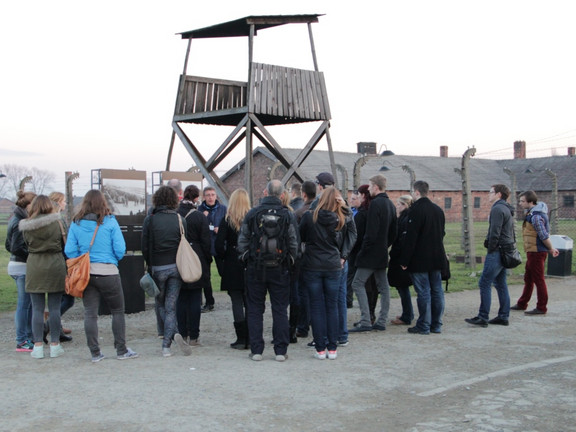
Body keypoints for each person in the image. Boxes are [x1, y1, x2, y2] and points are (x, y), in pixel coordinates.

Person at [65, 189, 138, 362]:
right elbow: (120, 249)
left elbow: (69, 251)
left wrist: (82, 259)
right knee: (117, 311)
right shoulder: (111, 222)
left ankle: (95, 353)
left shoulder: (76, 223)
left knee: (90, 314)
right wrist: (111, 258)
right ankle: (121, 350)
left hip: (86, 274)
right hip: (108, 271)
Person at [237, 180, 298, 362]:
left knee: (255, 309)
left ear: (265, 192)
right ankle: (280, 350)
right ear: (281, 195)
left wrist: (247, 258)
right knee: (280, 309)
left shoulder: (253, 213)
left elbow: (243, 240)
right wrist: (290, 262)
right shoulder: (287, 215)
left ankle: (257, 350)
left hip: (256, 267)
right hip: (280, 268)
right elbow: (294, 243)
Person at [300, 187, 356, 359]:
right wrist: (344, 206)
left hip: (313, 265)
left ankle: (320, 348)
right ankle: (332, 348)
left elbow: (301, 235)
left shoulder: (310, 216)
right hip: (333, 264)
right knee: (332, 306)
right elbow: (352, 229)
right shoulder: (340, 217)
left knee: (316, 307)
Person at [142, 186, 192, 357]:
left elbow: (145, 246)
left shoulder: (151, 219)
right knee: (171, 306)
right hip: (176, 267)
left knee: (160, 303)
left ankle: (169, 335)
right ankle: (167, 345)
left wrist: (149, 265)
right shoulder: (180, 219)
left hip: (158, 267)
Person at [19, 195, 66, 359]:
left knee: (37, 309)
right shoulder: (58, 222)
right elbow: (64, 243)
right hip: (55, 265)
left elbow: (25, 245)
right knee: (54, 309)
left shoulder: (26, 226)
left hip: (35, 266)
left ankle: (37, 346)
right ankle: (55, 345)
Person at [349, 174, 397, 333]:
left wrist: (363, 252)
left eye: (370, 186)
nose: (368, 189)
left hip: (370, 253)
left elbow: (371, 232)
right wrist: (385, 245)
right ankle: (381, 320)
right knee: (383, 287)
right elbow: (393, 232)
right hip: (382, 251)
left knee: (357, 283)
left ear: (376, 187)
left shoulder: (376, 204)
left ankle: (365, 321)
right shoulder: (390, 204)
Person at [465, 184, 516, 328]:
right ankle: (503, 316)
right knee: (500, 283)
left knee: (484, 282)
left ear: (499, 194)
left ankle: (483, 316)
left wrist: (491, 248)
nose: (489, 194)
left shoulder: (497, 209)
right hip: (505, 249)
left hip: (497, 250)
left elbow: (495, 232)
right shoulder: (505, 207)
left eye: (491, 192)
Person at [399, 182, 446, 334]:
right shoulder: (438, 210)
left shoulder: (415, 211)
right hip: (437, 256)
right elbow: (442, 234)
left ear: (417, 192)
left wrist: (404, 260)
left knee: (424, 292)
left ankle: (424, 325)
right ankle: (436, 324)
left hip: (420, 258)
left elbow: (411, 238)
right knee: (437, 291)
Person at [511, 191, 559, 315]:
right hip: (532, 251)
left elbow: (543, 235)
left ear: (530, 202)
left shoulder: (536, 216)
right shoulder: (532, 214)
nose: (520, 203)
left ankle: (541, 307)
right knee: (529, 278)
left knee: (539, 279)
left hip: (537, 252)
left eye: (522, 201)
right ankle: (522, 303)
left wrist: (551, 248)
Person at [215, 188, 251, 349]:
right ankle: (251, 336)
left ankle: (241, 338)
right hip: (249, 262)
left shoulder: (227, 220)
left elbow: (218, 245)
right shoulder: (253, 219)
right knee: (250, 301)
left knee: (236, 300)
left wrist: (225, 256)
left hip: (232, 261)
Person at [176, 185, 211, 345]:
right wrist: (207, 260)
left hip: (179, 257)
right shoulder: (199, 217)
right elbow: (206, 242)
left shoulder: (175, 215)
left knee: (181, 298)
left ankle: (182, 333)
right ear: (197, 198)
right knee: (195, 299)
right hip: (197, 257)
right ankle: (194, 336)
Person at [5, 191, 36, 352]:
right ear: (29, 205)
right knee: (24, 305)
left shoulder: (14, 219)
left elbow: (8, 246)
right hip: (22, 267)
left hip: (16, 265)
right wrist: (32, 256)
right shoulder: (20, 222)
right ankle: (22, 340)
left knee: (28, 304)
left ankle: (27, 337)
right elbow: (16, 247)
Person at [348, 185, 379, 323]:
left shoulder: (362, 214)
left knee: (362, 285)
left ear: (363, 196)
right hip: (374, 252)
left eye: (359, 195)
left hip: (360, 254)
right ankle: (370, 313)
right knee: (372, 285)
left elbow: (356, 236)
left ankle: (367, 315)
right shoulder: (373, 211)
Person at [48, 191, 73, 342]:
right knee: (66, 299)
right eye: (63, 201)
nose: (65, 204)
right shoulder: (59, 221)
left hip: (49, 264)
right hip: (61, 263)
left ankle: (53, 327)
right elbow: (65, 245)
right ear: (57, 203)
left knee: (57, 300)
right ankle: (49, 325)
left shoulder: (44, 220)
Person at [294, 180, 317, 339]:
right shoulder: (324, 211)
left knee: (302, 292)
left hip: (304, 256)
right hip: (321, 257)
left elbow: (296, 237)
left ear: (303, 194)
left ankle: (303, 326)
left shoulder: (300, 213)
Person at [198, 186, 227, 312]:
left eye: (212, 195)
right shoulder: (199, 210)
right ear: (204, 197)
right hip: (206, 246)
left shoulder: (223, 209)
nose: (210, 197)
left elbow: (228, 225)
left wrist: (221, 231)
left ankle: (236, 296)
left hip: (220, 245)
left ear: (216, 196)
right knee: (206, 276)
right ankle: (209, 301)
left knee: (224, 272)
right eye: (208, 195)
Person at [388, 195, 414, 326]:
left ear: (404, 205)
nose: (396, 206)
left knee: (402, 287)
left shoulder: (405, 219)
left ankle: (407, 315)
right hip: (400, 257)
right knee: (402, 287)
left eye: (399, 204)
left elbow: (401, 241)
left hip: (401, 258)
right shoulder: (403, 218)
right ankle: (407, 313)